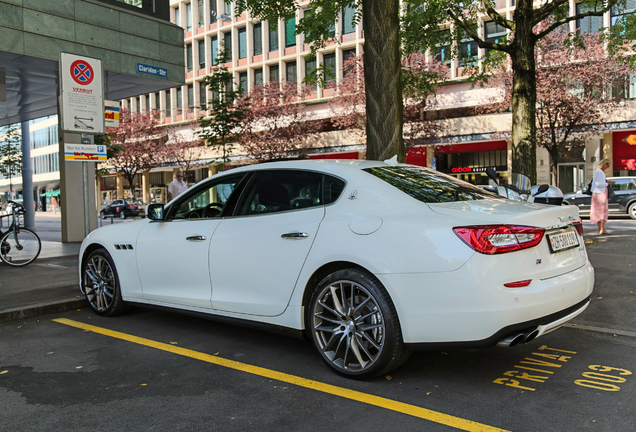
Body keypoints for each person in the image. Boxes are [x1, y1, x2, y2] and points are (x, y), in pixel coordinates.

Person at [589, 158, 615, 235]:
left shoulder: (599, 171)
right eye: (607, 165)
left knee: (600, 211)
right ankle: (602, 229)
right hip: (600, 193)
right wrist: (608, 183)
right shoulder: (599, 172)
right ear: (604, 164)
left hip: (600, 192)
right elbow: (598, 184)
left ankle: (601, 229)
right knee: (602, 211)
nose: (607, 167)